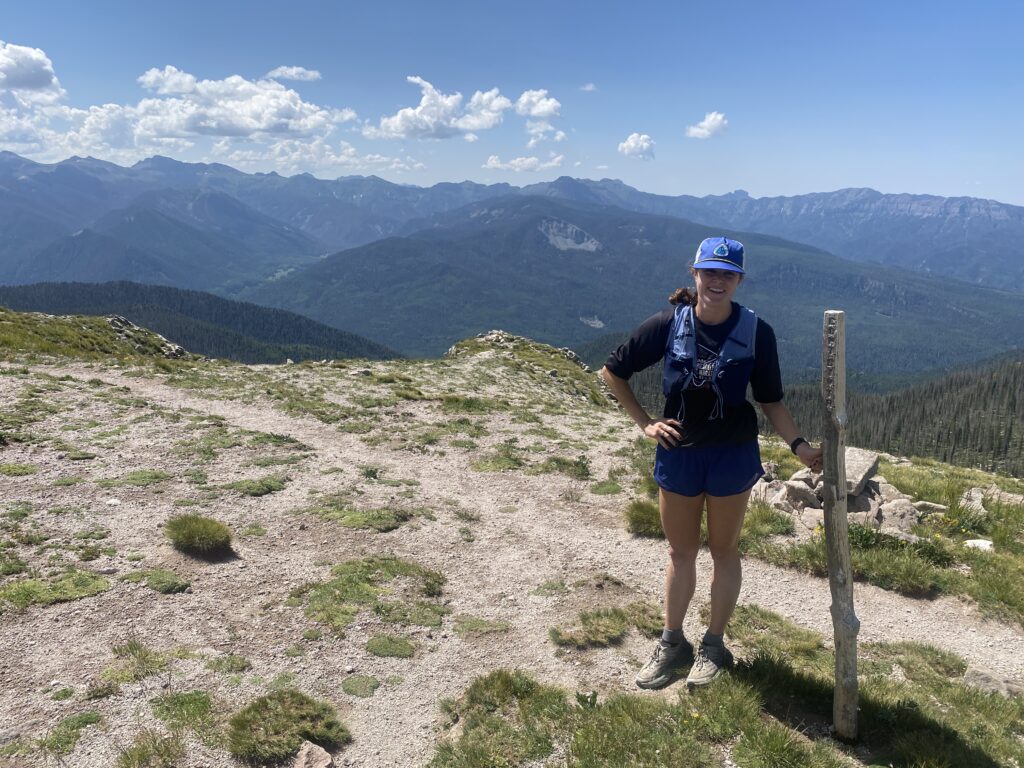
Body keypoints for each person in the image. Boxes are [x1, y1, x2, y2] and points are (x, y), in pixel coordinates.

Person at [600, 236, 823, 689]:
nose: (717, 280)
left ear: (739, 279)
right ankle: (672, 642)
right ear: (694, 274)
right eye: (710, 271)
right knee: (680, 552)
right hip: (679, 454)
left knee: (724, 551)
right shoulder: (668, 323)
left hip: (732, 456)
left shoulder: (758, 332)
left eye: (727, 273)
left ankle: (714, 645)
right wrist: (644, 422)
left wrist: (798, 445)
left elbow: (770, 400)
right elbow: (613, 371)